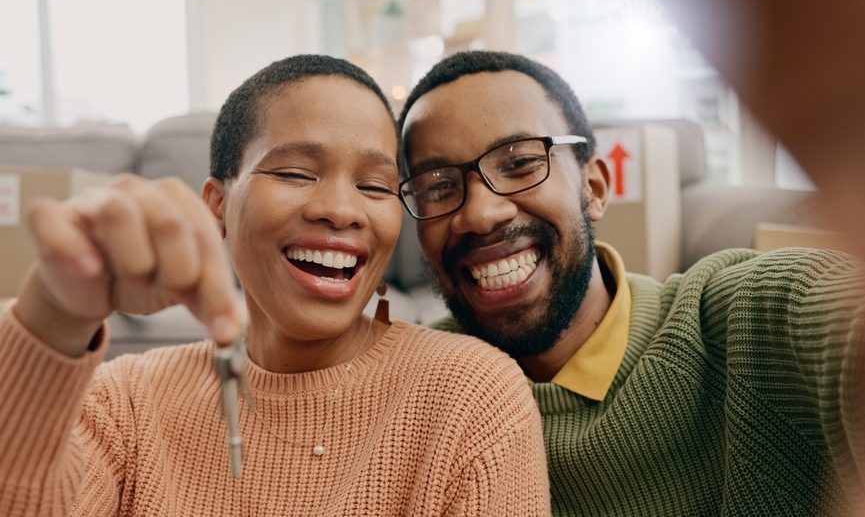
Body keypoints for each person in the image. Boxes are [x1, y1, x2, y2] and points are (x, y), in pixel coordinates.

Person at [0, 54, 550, 515]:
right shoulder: (124, 402)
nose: (340, 209)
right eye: (293, 174)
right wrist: (53, 314)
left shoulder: (470, 395)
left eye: (375, 185)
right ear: (216, 206)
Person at [397, 50, 865, 516]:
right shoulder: (418, 388)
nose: (480, 214)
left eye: (520, 163)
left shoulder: (754, 318)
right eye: (439, 186)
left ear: (595, 189)